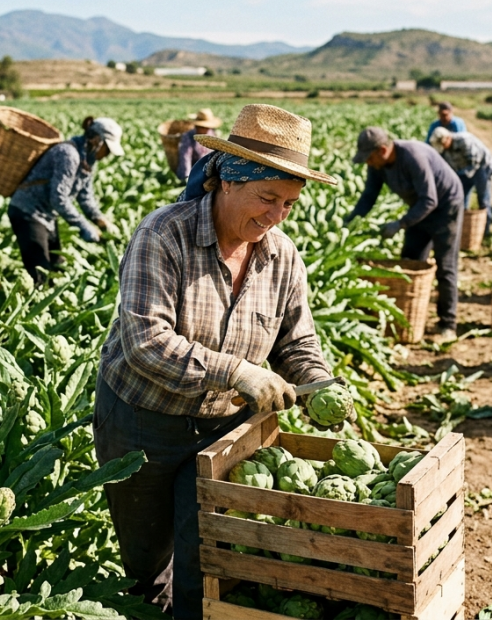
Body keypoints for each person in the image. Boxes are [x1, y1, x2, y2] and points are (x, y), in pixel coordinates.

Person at [95, 104, 338, 619]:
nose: (276, 216)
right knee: (144, 562)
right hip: (143, 422)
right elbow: (144, 342)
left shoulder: (282, 256)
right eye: (267, 198)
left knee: (206, 558)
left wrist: (319, 386)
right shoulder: (163, 235)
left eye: (290, 204)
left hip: (223, 429)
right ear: (228, 181)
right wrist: (236, 371)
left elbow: (297, 342)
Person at [346, 127, 464, 341]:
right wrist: (351, 221)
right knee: (410, 261)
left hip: (446, 208)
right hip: (419, 208)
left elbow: (430, 199)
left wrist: (400, 224)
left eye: (369, 158)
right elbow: (369, 196)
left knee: (445, 266)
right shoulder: (378, 166)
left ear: (382, 150)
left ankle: (448, 324)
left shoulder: (412, 156)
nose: (368, 163)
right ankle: (409, 318)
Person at [7, 116, 123, 283]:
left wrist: (100, 220)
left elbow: (85, 195)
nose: (108, 155)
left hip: (47, 215)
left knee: (58, 267)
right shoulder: (68, 154)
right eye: (107, 148)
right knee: (41, 273)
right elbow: (59, 199)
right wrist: (84, 226)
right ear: (97, 140)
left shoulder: (88, 160)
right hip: (27, 212)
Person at [429, 127, 492, 238]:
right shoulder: (445, 151)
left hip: (482, 167)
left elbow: (474, 163)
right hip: (464, 171)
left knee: (483, 198)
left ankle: (485, 231)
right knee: (460, 199)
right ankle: (463, 229)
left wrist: (459, 178)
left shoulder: (464, 140)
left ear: (447, 139)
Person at [175, 108, 222, 182]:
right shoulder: (188, 137)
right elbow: (185, 157)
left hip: (208, 171)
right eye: (203, 127)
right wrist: (187, 177)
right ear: (197, 126)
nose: (206, 129)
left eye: (207, 127)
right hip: (193, 171)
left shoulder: (212, 134)